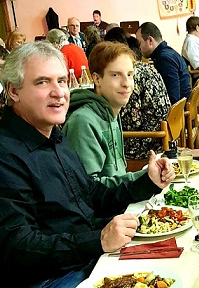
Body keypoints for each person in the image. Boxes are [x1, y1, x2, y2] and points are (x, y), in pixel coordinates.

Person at [0, 41, 175, 288]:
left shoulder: (53, 136)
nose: (58, 92)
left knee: (167, 274)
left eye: (61, 81)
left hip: (75, 260)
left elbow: (92, 195)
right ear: (13, 91)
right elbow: (18, 249)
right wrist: (98, 240)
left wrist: (147, 183)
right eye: (42, 82)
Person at [62, 41, 147, 186]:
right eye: (115, 75)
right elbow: (90, 189)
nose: (126, 83)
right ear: (97, 79)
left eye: (129, 75)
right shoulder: (82, 122)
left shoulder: (111, 111)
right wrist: (144, 179)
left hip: (120, 196)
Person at [120, 39, 171, 160]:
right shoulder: (148, 67)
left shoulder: (133, 76)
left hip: (148, 143)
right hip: (163, 135)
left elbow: (133, 123)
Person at [136, 22, 191, 104]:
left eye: (139, 43)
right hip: (183, 105)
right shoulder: (167, 52)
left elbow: (173, 98)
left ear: (150, 40)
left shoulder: (164, 58)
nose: (138, 48)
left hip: (179, 109)